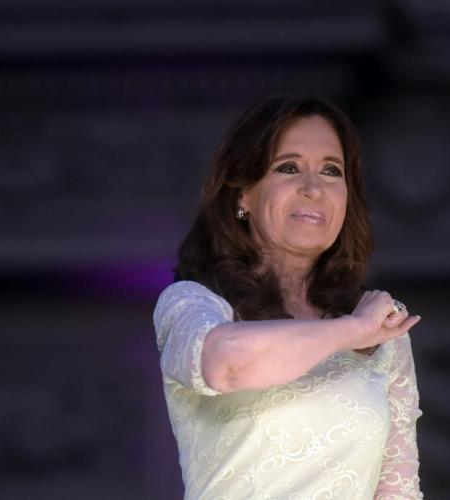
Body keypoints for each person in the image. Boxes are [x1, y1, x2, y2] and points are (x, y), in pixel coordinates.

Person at [153, 96, 423, 499]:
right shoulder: (192, 304)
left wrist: (360, 328)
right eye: (288, 168)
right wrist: (351, 330)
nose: (313, 188)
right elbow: (229, 364)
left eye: (331, 171)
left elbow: (398, 489)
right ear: (243, 194)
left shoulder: (383, 335)